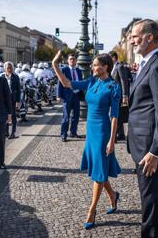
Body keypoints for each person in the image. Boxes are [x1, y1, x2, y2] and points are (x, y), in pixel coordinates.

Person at [52, 51, 122, 230]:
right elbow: (67, 83)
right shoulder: (91, 81)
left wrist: (112, 141)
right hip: (90, 131)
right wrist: (55, 65)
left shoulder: (113, 87)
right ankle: (113, 195)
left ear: (105, 67)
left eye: (96, 65)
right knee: (99, 168)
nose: (92, 67)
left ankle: (92, 210)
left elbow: (114, 117)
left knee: (98, 171)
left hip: (103, 132)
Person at [128, 19, 158, 238]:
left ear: (149, 37)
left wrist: (156, 152)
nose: (131, 41)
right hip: (143, 147)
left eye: (134, 36)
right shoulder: (147, 63)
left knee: (151, 207)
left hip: (151, 151)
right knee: (150, 205)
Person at [57, 53, 83, 142]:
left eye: (74, 59)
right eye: (71, 59)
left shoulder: (79, 71)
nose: (72, 60)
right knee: (66, 116)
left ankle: (73, 132)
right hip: (67, 96)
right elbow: (60, 82)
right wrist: (58, 95)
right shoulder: (64, 70)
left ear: (76, 61)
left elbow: (81, 82)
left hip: (76, 96)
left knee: (76, 115)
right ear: (68, 61)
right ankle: (63, 134)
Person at [109, 51, 130, 141]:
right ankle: (120, 133)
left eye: (109, 58)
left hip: (118, 95)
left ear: (114, 58)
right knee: (118, 114)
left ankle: (115, 135)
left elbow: (123, 81)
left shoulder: (119, 67)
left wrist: (125, 95)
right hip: (113, 94)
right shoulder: (112, 67)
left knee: (114, 114)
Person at [1, 61, 21, 139]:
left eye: (11, 68)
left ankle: (13, 132)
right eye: (8, 68)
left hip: (12, 99)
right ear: (5, 69)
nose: (9, 69)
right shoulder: (1, 77)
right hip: (4, 100)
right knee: (5, 116)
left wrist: (18, 101)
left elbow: (18, 90)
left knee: (13, 117)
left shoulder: (16, 77)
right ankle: (6, 131)